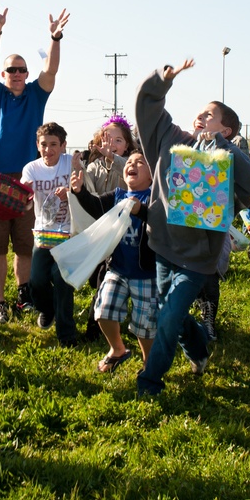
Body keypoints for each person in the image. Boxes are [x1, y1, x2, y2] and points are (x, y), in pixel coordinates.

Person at [134, 59, 250, 396]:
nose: (202, 117)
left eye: (211, 115)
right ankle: (199, 348)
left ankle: (149, 381)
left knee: (168, 315)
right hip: (162, 245)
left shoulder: (230, 155)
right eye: (201, 112)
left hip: (199, 257)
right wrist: (163, 80)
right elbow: (146, 109)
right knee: (172, 313)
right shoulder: (172, 139)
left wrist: (222, 148)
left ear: (227, 130)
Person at [0, 0, 70, 324]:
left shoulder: (36, 92)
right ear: (4, 75)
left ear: (26, 74)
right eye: (11, 70)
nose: (16, 74)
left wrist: (55, 39)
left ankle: (23, 295)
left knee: (25, 243)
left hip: (28, 179)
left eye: (21, 70)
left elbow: (52, 70)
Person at [71, 149, 156, 372]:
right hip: (117, 270)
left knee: (144, 326)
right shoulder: (117, 195)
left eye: (140, 162)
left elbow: (160, 219)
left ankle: (149, 362)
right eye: (129, 161)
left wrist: (142, 210)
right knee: (104, 311)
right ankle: (117, 349)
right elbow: (96, 206)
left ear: (152, 175)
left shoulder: (155, 198)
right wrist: (80, 192)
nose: (133, 165)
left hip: (146, 275)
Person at [21, 122, 77, 345]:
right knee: (36, 282)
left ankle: (67, 335)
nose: (48, 150)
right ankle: (48, 309)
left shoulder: (70, 163)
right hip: (43, 234)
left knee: (62, 281)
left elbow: (83, 189)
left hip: (69, 234)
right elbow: (24, 199)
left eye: (54, 144)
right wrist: (24, 196)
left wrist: (70, 191)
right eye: (44, 145)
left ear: (63, 146)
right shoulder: (31, 168)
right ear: (37, 145)